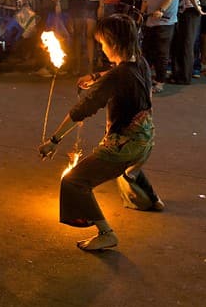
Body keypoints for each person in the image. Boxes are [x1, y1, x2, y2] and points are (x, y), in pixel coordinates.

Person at [38, 14, 163, 252]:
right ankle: (152, 200)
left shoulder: (118, 76)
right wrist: (95, 77)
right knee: (127, 169)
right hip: (146, 140)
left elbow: (83, 109)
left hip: (123, 146)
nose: (102, 48)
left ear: (114, 42)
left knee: (74, 181)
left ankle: (106, 232)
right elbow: (119, 73)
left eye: (103, 43)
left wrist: (54, 141)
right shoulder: (141, 63)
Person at [139, 0, 180, 92]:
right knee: (147, 51)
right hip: (150, 20)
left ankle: (160, 81)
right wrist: (142, 12)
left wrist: (161, 10)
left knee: (161, 52)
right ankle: (147, 77)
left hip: (165, 21)